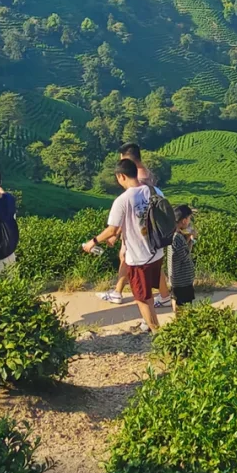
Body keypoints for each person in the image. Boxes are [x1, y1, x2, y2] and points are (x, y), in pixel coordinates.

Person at [83, 159, 163, 333]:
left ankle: (158, 333)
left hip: (138, 257)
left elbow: (112, 230)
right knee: (147, 293)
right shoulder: (154, 191)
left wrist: (93, 241)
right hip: (157, 252)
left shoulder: (123, 200)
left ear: (121, 176)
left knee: (142, 298)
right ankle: (150, 325)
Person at [121, 142, 172, 309]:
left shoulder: (139, 180)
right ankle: (164, 296)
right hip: (152, 232)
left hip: (142, 233)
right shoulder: (147, 173)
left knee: (142, 273)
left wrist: (122, 240)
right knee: (154, 265)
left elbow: (137, 209)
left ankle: (148, 315)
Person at [169, 205, 197, 314]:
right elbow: (185, 256)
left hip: (176, 279)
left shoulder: (172, 235)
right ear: (184, 220)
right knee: (183, 307)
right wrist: (191, 240)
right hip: (182, 280)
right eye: (189, 218)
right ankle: (181, 324)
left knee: (176, 300)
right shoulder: (177, 238)